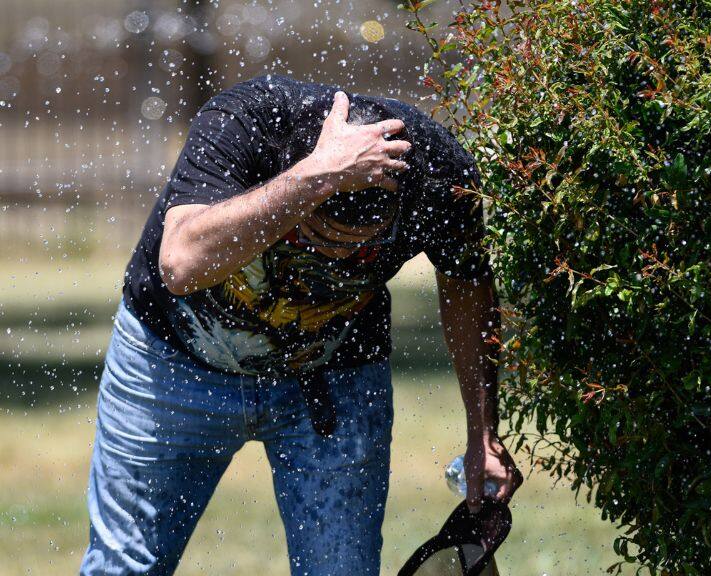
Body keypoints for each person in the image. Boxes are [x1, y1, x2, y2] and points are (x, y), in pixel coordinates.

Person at [79, 74, 522, 576]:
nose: (331, 261)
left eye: (356, 249)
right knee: (123, 568)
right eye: (314, 239)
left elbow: (466, 284)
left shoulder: (439, 175)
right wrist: (318, 176)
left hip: (332, 379)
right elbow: (180, 264)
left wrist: (482, 432)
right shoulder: (246, 122)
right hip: (173, 365)